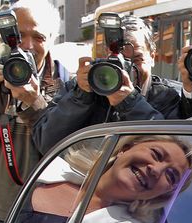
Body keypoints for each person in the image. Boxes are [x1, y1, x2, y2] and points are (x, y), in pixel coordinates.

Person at [0, 1, 68, 223]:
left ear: (51, 39)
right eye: (20, 35)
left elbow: (67, 151)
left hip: (42, 218)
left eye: (38, 36)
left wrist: (34, 102)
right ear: (8, 37)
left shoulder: (67, 85)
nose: (27, 45)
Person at [32, 16, 183, 155]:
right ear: (106, 56)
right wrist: (81, 97)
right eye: (119, 61)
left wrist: (130, 102)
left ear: (152, 56)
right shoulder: (83, 88)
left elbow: (173, 152)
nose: (126, 70)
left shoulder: (169, 96)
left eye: (137, 60)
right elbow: (46, 144)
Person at [10, 135, 192, 223]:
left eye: (171, 176)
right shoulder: (47, 176)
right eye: (156, 154)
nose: (156, 170)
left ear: (163, 195)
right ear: (126, 148)